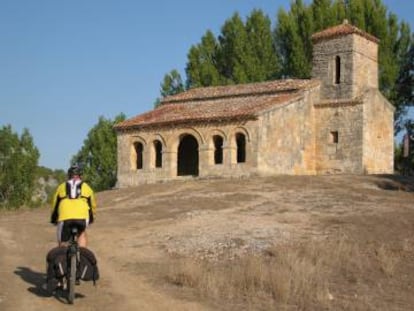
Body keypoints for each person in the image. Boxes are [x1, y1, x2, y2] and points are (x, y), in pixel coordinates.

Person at [50, 165, 96, 248]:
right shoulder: (87, 187)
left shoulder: (61, 186)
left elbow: (55, 204)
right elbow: (92, 205)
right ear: (80, 176)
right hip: (82, 218)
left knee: (63, 242)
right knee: (82, 233)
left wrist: (54, 219)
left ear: (69, 175)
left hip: (65, 217)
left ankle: (62, 254)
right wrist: (91, 219)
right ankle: (82, 255)